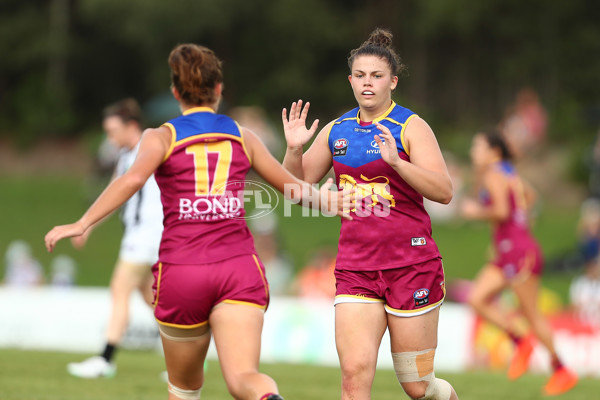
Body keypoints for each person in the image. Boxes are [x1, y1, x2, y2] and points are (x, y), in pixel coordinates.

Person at [45, 43, 350, 400]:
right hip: (238, 268)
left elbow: (129, 180)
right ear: (219, 89)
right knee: (245, 379)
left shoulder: (160, 136)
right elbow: (293, 189)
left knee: (184, 388)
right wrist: (329, 199)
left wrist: (82, 223)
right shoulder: (243, 135)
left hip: (182, 270)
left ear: (176, 92)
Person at [282, 28, 458, 400]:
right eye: (360, 76)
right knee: (354, 376)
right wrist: (295, 150)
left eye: (376, 76)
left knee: (418, 387)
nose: (367, 83)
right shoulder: (337, 130)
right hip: (356, 267)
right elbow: (294, 189)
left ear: (392, 81)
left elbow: (444, 191)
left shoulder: (411, 127)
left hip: (411, 265)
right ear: (350, 80)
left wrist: (397, 161)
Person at [460, 130, 578, 396]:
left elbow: (501, 211)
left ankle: (562, 370)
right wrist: (517, 226)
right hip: (508, 252)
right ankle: (520, 340)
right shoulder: (505, 173)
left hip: (519, 253)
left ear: (494, 152)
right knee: (476, 298)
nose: (473, 151)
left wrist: (474, 212)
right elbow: (530, 198)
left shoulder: (494, 174)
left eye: (477, 146)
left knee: (532, 314)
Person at [65, 99, 163, 379]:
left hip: (147, 235)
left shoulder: (149, 148)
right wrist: (88, 225)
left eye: (113, 131)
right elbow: (113, 193)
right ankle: (190, 353)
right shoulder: (126, 155)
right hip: (141, 235)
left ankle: (105, 359)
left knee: (120, 289)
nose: (110, 138)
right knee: (153, 300)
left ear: (131, 126)